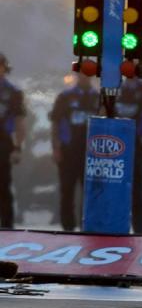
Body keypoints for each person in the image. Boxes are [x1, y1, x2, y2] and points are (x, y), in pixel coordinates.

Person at [49, 72, 100, 231]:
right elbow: (55, 124)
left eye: (88, 74)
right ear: (77, 75)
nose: (84, 77)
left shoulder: (99, 97)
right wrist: (56, 148)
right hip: (68, 151)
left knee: (90, 192)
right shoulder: (64, 97)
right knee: (67, 190)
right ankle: (68, 227)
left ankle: (88, 226)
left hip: (92, 153)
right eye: (82, 74)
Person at [115, 78, 142, 233]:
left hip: (135, 143)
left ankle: (140, 226)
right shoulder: (113, 86)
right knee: (115, 185)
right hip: (115, 143)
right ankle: (116, 223)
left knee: (136, 186)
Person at [0, 54, 25, 228]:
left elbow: (19, 122)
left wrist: (17, 147)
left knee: (3, 185)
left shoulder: (13, 92)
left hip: (3, 141)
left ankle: (7, 227)